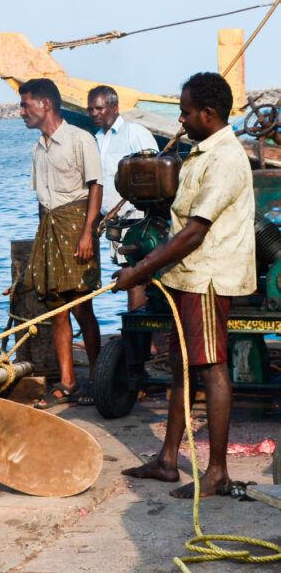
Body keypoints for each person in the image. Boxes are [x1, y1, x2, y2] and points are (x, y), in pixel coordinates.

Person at [115, 72, 255, 499]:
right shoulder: (200, 153)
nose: (181, 118)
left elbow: (194, 232)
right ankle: (167, 459)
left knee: (211, 369)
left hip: (206, 278)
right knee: (181, 366)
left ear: (208, 114)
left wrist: (137, 273)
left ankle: (216, 472)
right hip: (184, 277)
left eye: (187, 111)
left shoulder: (226, 159)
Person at [19, 78, 103, 408]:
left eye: (26, 105)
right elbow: (42, 202)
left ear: (46, 105)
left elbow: (95, 187)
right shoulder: (38, 148)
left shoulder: (80, 140)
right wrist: (43, 240)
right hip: (50, 230)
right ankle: (68, 383)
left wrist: (87, 234)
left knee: (83, 307)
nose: (22, 112)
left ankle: (98, 379)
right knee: (56, 310)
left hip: (77, 227)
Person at [87, 85, 158, 312]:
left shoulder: (135, 133)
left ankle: (139, 335)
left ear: (115, 107)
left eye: (99, 108)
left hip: (136, 220)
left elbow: (155, 174)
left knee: (136, 276)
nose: (94, 114)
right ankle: (139, 333)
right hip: (113, 222)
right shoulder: (97, 140)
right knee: (128, 276)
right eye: (90, 110)